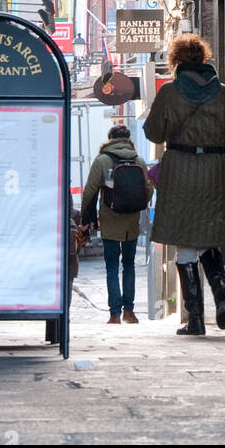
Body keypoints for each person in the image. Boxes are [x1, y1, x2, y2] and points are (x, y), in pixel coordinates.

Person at [143, 34, 225, 336]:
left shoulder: (171, 92)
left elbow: (154, 133)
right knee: (208, 233)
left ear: (176, 61)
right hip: (214, 169)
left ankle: (195, 318)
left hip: (180, 167)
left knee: (184, 239)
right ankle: (221, 292)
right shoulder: (222, 93)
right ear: (203, 59)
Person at [80, 124, 153, 325]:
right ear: (128, 139)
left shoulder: (103, 160)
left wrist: (88, 220)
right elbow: (148, 191)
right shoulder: (138, 160)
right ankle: (129, 311)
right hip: (132, 222)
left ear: (110, 139)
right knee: (129, 265)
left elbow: (89, 193)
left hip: (110, 220)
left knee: (112, 266)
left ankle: (115, 314)